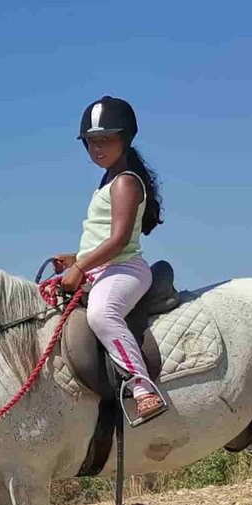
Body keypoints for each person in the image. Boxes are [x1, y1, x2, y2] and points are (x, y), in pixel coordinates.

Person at [52, 96, 168, 426]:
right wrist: (76, 258)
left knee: (103, 314)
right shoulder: (107, 181)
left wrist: (80, 267)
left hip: (125, 268)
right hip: (103, 266)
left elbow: (118, 242)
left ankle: (142, 388)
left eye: (106, 140)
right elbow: (104, 236)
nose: (98, 148)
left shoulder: (126, 182)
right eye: (91, 143)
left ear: (125, 139)